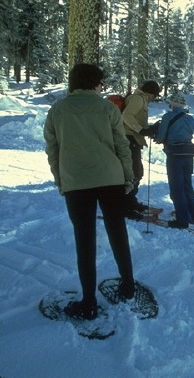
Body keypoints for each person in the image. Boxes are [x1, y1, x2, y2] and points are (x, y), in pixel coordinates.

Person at [43, 63, 136, 320]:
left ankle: (88, 302)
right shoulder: (107, 108)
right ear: (94, 83)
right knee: (118, 232)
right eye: (100, 82)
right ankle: (127, 286)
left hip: (77, 184)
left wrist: (61, 180)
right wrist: (128, 177)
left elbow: (53, 150)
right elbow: (121, 146)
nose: (101, 86)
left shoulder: (57, 110)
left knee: (84, 241)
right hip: (111, 178)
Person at [154, 91, 194, 229]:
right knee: (187, 185)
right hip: (188, 154)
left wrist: (155, 135)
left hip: (174, 155)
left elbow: (160, 137)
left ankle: (182, 220)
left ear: (173, 103)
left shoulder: (168, 116)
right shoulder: (191, 119)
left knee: (176, 188)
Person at [122, 80, 161, 219]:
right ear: (150, 92)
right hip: (129, 139)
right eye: (155, 95)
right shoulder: (138, 99)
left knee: (136, 172)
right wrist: (141, 130)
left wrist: (148, 129)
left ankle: (131, 203)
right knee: (134, 172)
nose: (154, 98)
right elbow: (126, 116)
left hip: (133, 139)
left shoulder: (140, 98)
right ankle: (126, 206)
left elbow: (135, 119)